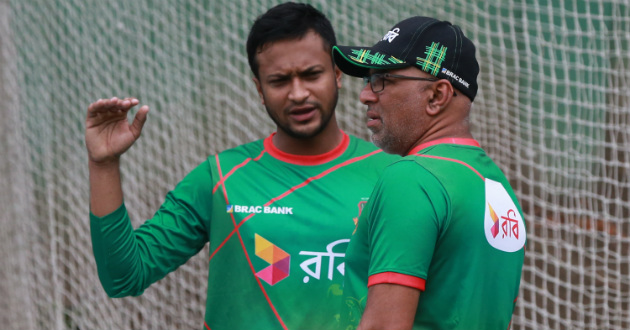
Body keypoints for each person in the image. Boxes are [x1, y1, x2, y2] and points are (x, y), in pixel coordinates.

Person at [85, 3, 398, 330]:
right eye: (279, 81)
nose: (298, 93)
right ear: (259, 90)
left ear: (336, 74)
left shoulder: (392, 175)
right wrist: (103, 163)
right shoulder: (220, 178)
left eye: (311, 75)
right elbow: (124, 277)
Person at [331, 16, 527, 330]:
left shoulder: (411, 179)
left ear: (436, 96)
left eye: (383, 79)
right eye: (367, 79)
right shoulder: (496, 186)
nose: (365, 94)